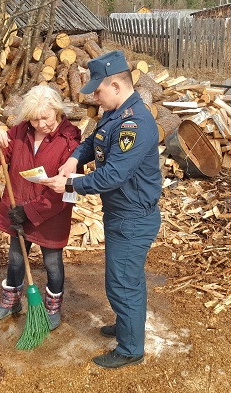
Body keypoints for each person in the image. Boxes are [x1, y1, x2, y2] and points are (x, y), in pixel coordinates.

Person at [41, 50, 162, 369]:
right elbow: (93, 141)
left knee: (122, 283)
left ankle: (130, 348)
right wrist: (73, 159)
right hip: (121, 215)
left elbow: (113, 175)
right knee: (126, 279)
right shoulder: (116, 112)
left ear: (117, 86)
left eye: (98, 89)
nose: (94, 95)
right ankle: (127, 327)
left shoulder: (135, 123)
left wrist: (69, 185)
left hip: (133, 218)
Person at [0, 84, 82, 331]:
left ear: (56, 110)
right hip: (18, 208)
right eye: (34, 119)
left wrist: (30, 211)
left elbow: (63, 189)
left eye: (45, 118)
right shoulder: (21, 131)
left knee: (53, 263)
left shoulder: (70, 139)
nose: (40, 125)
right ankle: (11, 300)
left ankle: (53, 306)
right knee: (15, 258)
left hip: (50, 214)